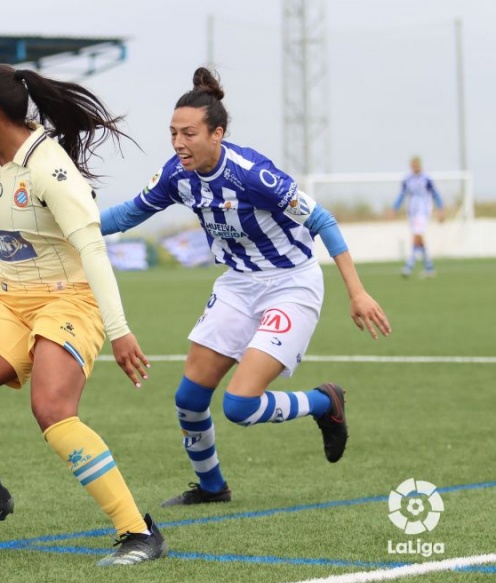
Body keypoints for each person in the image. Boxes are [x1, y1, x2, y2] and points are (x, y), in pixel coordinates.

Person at [100, 67, 392, 508]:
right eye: (173, 133)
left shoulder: (253, 174)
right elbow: (126, 216)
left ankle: (323, 401)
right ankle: (212, 488)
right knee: (189, 398)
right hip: (238, 285)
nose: (179, 143)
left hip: (291, 284)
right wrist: (65, 225)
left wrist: (358, 292)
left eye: (189, 134)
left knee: (238, 406)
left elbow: (322, 220)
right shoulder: (176, 175)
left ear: (217, 134)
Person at [0, 63, 168, 566]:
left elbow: (94, 250)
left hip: (70, 299)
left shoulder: (50, 169)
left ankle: (139, 533)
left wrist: (120, 332)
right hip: (12, 298)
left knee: (53, 411)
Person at [389, 156, 445, 278]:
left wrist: (441, 209)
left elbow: (435, 194)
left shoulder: (427, 179)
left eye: (416, 164)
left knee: (417, 235)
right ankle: (429, 266)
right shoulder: (407, 180)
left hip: (423, 211)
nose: (415, 167)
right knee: (419, 238)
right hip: (412, 212)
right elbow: (402, 195)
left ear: (420, 165)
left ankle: (409, 265)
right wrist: (394, 209)